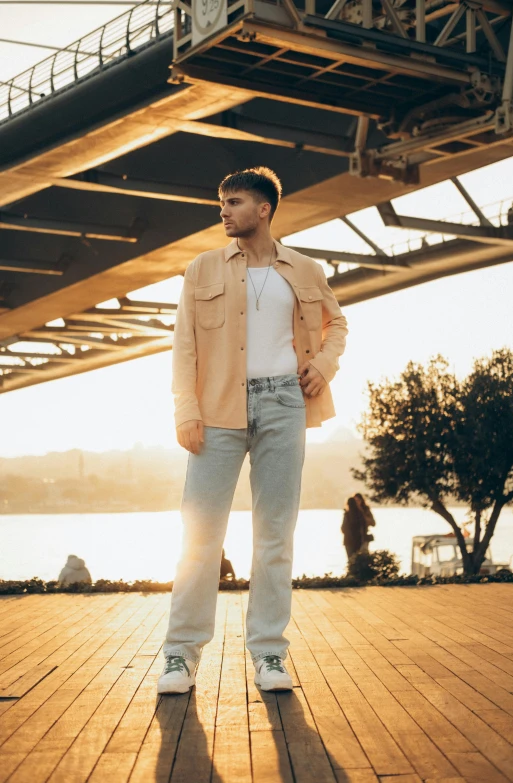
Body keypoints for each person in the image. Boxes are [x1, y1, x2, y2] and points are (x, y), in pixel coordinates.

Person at [158, 166, 348, 695]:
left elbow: (338, 324)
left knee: (274, 534)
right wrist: (185, 410)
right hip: (217, 408)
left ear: (263, 209)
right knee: (200, 535)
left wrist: (324, 366)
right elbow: (184, 346)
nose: (224, 211)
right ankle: (180, 655)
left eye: (234, 202)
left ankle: (268, 653)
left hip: (285, 402)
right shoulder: (202, 268)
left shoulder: (305, 270)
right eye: (221, 202)